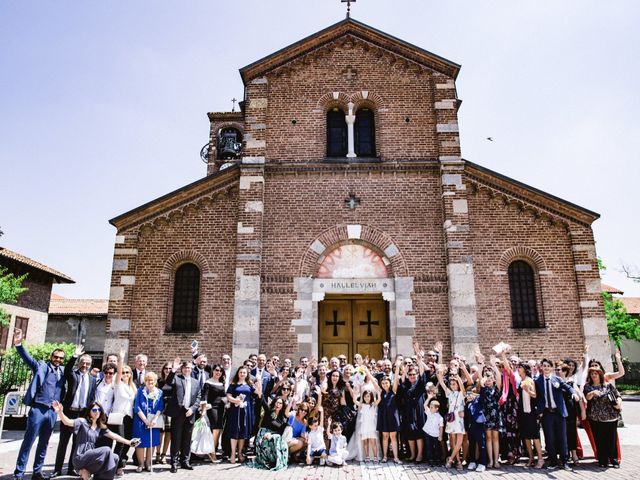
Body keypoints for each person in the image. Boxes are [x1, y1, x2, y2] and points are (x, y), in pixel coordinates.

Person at [12, 328, 68, 480]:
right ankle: (19, 473)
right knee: (28, 442)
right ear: (51, 356)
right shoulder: (42, 366)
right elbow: (27, 358)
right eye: (56, 357)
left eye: (61, 358)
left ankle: (37, 472)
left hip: (51, 412)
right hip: (38, 408)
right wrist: (19, 344)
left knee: (44, 443)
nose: (58, 360)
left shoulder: (63, 371)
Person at [52, 400, 139, 480]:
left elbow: (115, 436)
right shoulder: (82, 422)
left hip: (92, 459)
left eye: (99, 410)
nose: (97, 412)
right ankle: (87, 472)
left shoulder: (100, 427)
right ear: (89, 412)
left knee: (115, 457)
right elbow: (67, 422)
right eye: (94, 410)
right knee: (106, 450)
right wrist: (60, 412)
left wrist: (129, 442)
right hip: (80, 457)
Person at [53, 344, 96, 477]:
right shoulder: (73, 374)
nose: (85, 365)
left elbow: (92, 398)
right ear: (79, 363)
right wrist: (75, 355)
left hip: (82, 414)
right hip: (69, 412)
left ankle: (72, 468)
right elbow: (66, 369)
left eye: (87, 363)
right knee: (63, 442)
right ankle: (57, 469)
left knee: (77, 443)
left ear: (90, 365)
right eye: (83, 362)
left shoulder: (93, 379)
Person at [535, 358, 580, 470]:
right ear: (541, 367)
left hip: (559, 413)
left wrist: (574, 393)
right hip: (547, 413)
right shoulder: (538, 380)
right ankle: (553, 461)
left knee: (562, 437)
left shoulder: (557, 379)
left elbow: (568, 387)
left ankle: (564, 461)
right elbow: (537, 397)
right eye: (544, 366)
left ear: (551, 368)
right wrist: (539, 411)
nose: (546, 368)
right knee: (549, 438)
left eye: (548, 366)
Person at [583, 367, 622, 468]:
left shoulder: (608, 385)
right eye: (592, 374)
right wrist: (592, 393)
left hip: (610, 417)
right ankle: (602, 460)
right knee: (599, 440)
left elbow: (618, 396)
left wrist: (618, 403)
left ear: (600, 375)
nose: (594, 375)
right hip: (596, 418)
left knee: (611, 440)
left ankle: (614, 460)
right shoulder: (588, 386)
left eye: (596, 373)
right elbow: (587, 397)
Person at [166, 361, 201, 472]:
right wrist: (173, 370)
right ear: (182, 369)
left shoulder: (196, 382)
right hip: (178, 413)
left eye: (189, 368)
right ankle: (174, 463)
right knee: (176, 438)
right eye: (185, 368)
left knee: (187, 439)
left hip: (190, 413)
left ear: (192, 370)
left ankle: (185, 461)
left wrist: (193, 409)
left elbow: (198, 397)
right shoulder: (177, 378)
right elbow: (168, 382)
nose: (187, 370)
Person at [224, 366, 262, 463]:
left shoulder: (250, 385)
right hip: (235, 410)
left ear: (246, 374)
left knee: (243, 432)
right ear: (238, 373)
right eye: (240, 372)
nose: (242, 374)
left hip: (246, 410)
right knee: (234, 431)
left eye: (244, 373)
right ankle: (233, 454)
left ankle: (240, 453)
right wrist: (235, 400)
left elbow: (259, 394)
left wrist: (258, 382)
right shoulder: (233, 384)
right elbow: (228, 396)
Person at [110, 351, 137, 476]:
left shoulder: (133, 387)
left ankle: (120, 462)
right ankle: (115, 466)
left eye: (128, 372)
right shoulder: (118, 384)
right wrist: (121, 359)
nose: (125, 374)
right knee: (120, 441)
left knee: (127, 441)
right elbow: (118, 372)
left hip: (129, 416)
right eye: (124, 372)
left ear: (131, 374)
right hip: (119, 416)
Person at [132, 371, 164, 472]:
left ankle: (148, 463)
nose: (149, 382)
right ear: (145, 381)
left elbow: (160, 406)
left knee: (152, 442)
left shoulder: (159, 392)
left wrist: (154, 419)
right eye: (147, 380)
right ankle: (141, 464)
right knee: (140, 443)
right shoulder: (140, 391)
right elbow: (137, 407)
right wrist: (145, 420)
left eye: (152, 380)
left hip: (154, 421)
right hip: (141, 420)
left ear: (155, 381)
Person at [437, 367, 465, 470]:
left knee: (459, 442)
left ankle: (450, 459)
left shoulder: (461, 394)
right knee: (452, 441)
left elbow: (462, 388)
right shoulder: (449, 393)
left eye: (454, 384)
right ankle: (457, 461)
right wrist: (440, 373)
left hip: (459, 419)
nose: (452, 386)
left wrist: (457, 377)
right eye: (451, 384)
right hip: (451, 419)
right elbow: (442, 383)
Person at [516, 362, 544, 468]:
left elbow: (535, 395)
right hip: (523, 412)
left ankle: (540, 459)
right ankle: (531, 458)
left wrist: (527, 390)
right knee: (526, 436)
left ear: (524, 369)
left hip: (531, 412)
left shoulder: (529, 380)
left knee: (535, 436)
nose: (518, 369)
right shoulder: (521, 381)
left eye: (520, 367)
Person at [399, 364, 426, 462]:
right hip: (408, 411)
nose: (412, 376)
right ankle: (412, 455)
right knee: (410, 432)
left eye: (414, 374)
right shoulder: (406, 384)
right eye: (410, 374)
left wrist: (420, 361)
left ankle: (419, 455)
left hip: (418, 411)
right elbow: (401, 383)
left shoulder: (420, 383)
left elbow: (423, 374)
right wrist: (404, 372)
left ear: (417, 374)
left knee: (418, 433)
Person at [253, 397, 288, 471]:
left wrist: (271, 434)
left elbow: (280, 432)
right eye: (277, 402)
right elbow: (263, 400)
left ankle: (279, 461)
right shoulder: (269, 411)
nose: (278, 405)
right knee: (274, 439)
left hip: (273, 435)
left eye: (280, 403)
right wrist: (259, 391)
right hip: (263, 434)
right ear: (274, 403)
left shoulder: (283, 418)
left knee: (279, 439)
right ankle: (269, 460)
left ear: (282, 405)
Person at [479, 365, 503, 469]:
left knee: (495, 438)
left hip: (496, 415)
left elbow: (499, 378)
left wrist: (494, 365)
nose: (488, 381)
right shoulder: (483, 389)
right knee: (488, 438)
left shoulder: (496, 388)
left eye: (490, 379)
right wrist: (481, 381)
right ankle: (491, 460)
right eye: (486, 380)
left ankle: (496, 460)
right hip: (486, 416)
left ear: (493, 380)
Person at [377, 362, 401, 464]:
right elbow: (374, 383)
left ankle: (396, 457)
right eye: (383, 383)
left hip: (393, 417)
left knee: (393, 437)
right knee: (385, 436)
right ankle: (385, 456)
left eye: (386, 383)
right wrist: (366, 371)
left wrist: (398, 367)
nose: (385, 385)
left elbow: (395, 380)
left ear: (389, 383)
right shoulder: (380, 392)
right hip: (384, 417)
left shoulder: (393, 391)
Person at [202, 364, 227, 461]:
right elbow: (205, 396)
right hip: (212, 408)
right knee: (215, 430)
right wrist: (204, 409)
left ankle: (213, 450)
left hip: (221, 408)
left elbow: (223, 397)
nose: (218, 372)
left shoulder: (221, 383)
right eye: (216, 370)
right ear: (213, 371)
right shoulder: (208, 383)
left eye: (220, 371)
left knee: (218, 430)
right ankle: (212, 453)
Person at [155, 361, 174, 465]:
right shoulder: (159, 381)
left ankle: (163, 455)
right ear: (163, 370)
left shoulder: (174, 382)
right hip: (160, 410)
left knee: (168, 433)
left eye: (170, 369)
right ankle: (157, 454)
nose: (168, 370)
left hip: (170, 410)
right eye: (166, 368)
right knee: (160, 433)